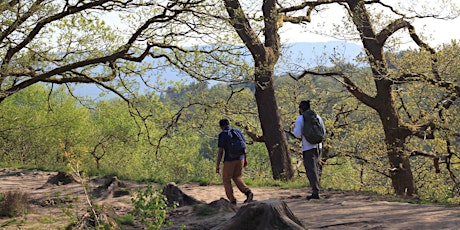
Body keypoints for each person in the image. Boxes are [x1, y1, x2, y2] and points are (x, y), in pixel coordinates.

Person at [293, 100, 326, 200]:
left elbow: (297, 133)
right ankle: (316, 189)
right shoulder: (317, 117)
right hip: (318, 146)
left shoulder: (300, 119)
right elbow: (323, 132)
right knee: (315, 168)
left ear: (301, 109)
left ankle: (315, 191)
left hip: (308, 147)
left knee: (310, 170)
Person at [216, 118, 253, 205]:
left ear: (221, 126)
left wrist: (217, 165)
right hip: (240, 158)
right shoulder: (237, 131)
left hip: (229, 160)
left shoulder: (222, 135)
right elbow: (244, 146)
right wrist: (245, 159)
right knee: (237, 177)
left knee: (226, 179)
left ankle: (232, 200)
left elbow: (221, 151)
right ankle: (248, 192)